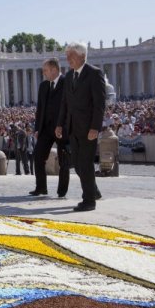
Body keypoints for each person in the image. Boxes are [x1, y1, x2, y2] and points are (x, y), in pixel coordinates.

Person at [56, 42, 106, 212]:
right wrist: (60, 124)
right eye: (67, 55)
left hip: (88, 128)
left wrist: (95, 127)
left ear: (82, 56)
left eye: (71, 55)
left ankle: (89, 200)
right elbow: (64, 103)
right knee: (77, 164)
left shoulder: (94, 73)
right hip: (72, 127)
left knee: (85, 163)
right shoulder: (69, 76)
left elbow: (99, 104)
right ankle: (94, 191)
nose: (68, 59)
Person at [29, 58, 70, 197]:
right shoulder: (43, 86)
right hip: (45, 129)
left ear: (54, 70)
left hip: (62, 128)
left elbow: (70, 108)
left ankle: (62, 191)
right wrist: (37, 128)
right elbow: (40, 109)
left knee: (63, 160)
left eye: (45, 70)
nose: (43, 73)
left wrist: (65, 126)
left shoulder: (67, 83)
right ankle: (41, 187)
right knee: (38, 156)